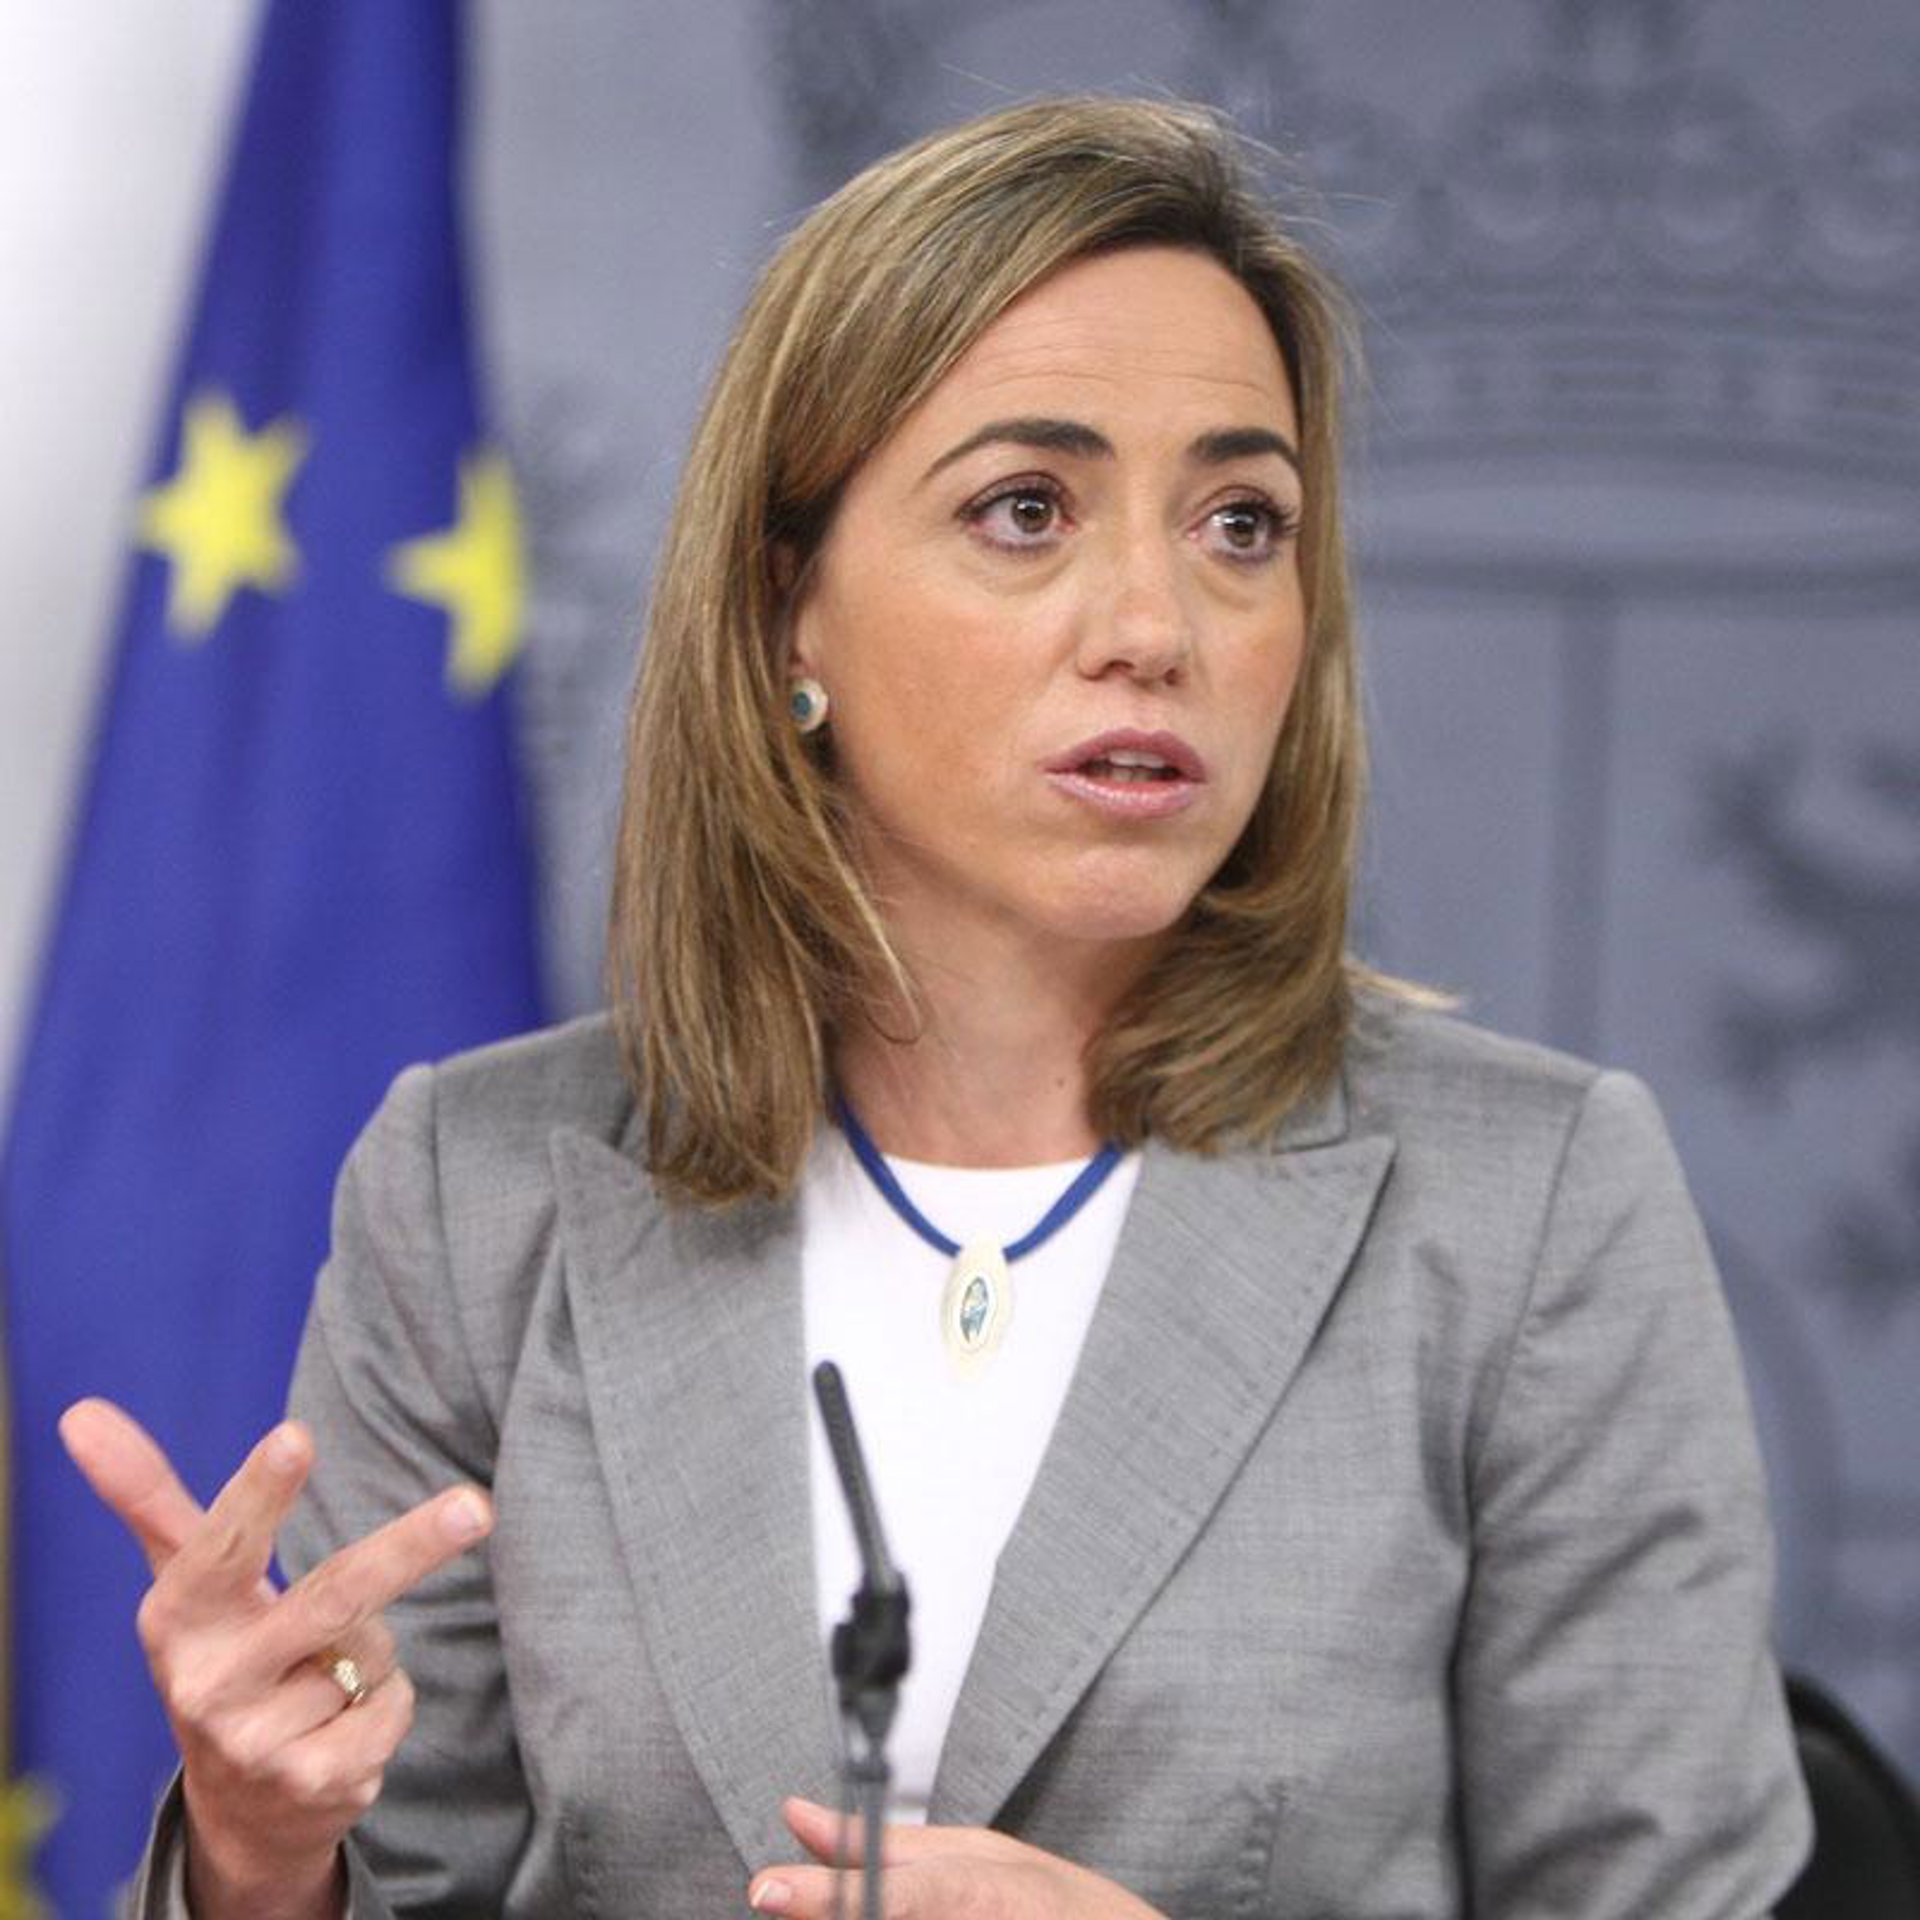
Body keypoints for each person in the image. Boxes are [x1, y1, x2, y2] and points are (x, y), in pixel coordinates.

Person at [63, 96, 1811, 1917]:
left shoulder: (1531, 1206)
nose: (1159, 626)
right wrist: (261, 1858)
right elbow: (408, 1879)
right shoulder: (471, 1193)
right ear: (787, 612)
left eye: (1241, 522)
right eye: (1027, 510)